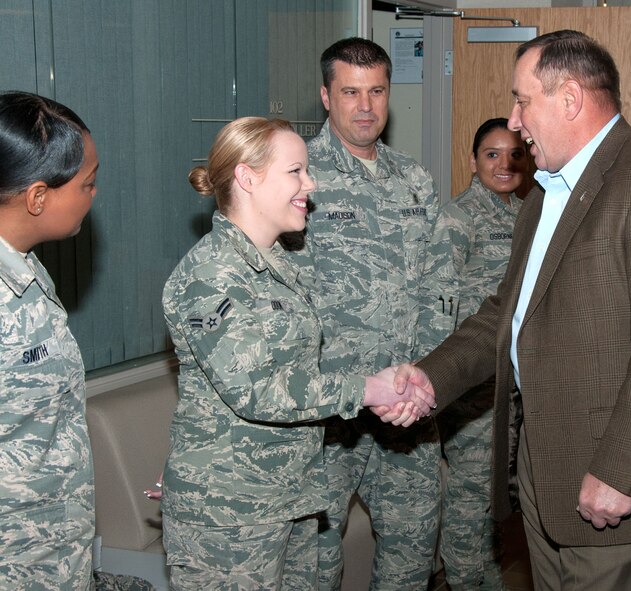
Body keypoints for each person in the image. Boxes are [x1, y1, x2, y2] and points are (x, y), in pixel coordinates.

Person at [393, 30, 631, 590]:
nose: (514, 122)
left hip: (616, 492)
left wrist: (620, 471)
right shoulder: (545, 191)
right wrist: (428, 378)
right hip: (546, 482)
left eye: (522, 101)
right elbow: (506, 314)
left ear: (569, 100)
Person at [160, 116, 434, 590]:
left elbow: (305, 367)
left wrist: (388, 379)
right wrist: (368, 390)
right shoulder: (212, 275)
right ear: (247, 178)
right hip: (233, 515)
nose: (311, 183)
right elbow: (259, 389)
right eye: (296, 172)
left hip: (294, 496)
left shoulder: (279, 264)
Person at [290, 37, 443, 590]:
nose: (365, 106)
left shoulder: (414, 180)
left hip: (406, 411)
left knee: (411, 557)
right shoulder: (296, 178)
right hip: (326, 416)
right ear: (325, 96)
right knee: (311, 567)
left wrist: (425, 377)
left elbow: (436, 285)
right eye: (350, 92)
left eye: (376, 91)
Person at [420, 118, 527, 590]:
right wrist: (442, 379)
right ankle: (466, 580)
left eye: (513, 154)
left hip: (512, 381)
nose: (504, 164)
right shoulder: (457, 218)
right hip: (474, 383)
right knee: (471, 492)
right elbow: (439, 305)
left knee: (493, 492)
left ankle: (487, 576)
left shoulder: (528, 214)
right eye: (491, 154)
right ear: (472, 160)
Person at [0, 91, 99, 590]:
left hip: (54, 549)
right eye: (87, 183)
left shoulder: (27, 269)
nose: (94, 194)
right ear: (39, 197)